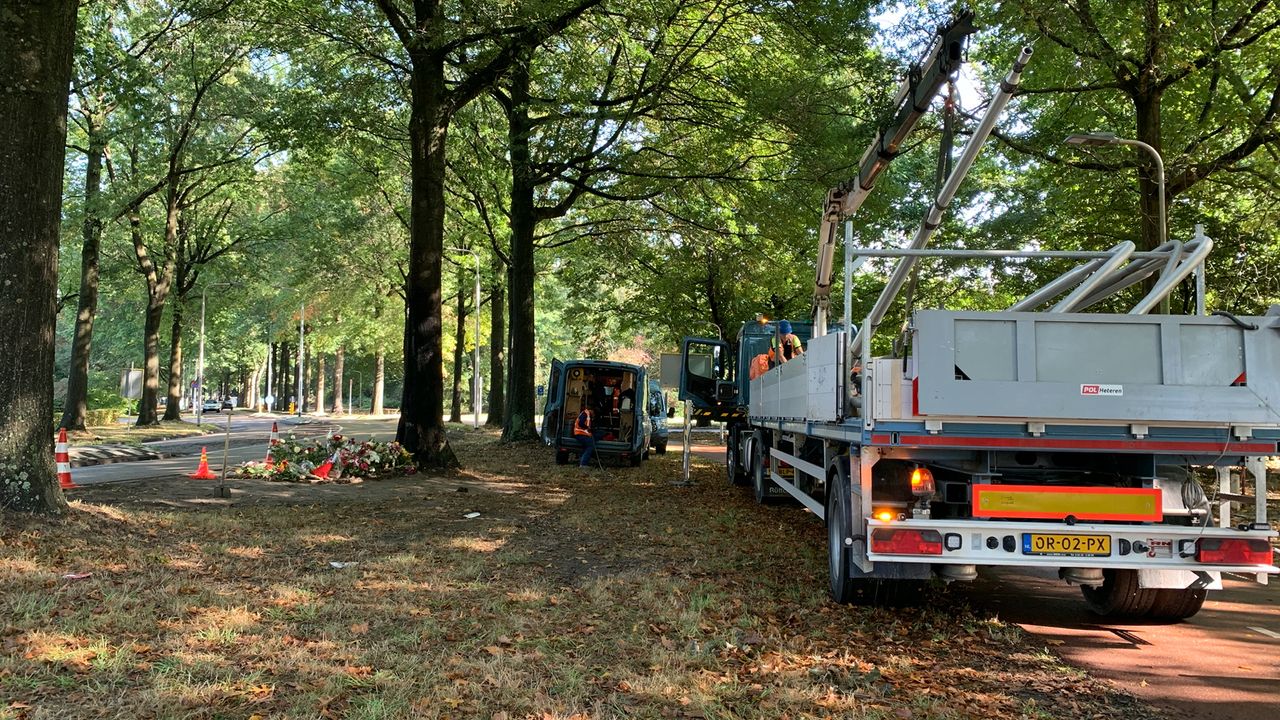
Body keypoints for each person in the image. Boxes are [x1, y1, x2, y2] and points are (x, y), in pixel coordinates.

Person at [573, 403, 598, 469]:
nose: (594, 415)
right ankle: (583, 464)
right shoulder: (585, 414)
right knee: (590, 446)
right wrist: (587, 428)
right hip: (580, 434)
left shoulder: (587, 414)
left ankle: (582, 459)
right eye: (594, 413)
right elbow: (581, 423)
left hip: (582, 434)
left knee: (586, 446)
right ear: (592, 411)